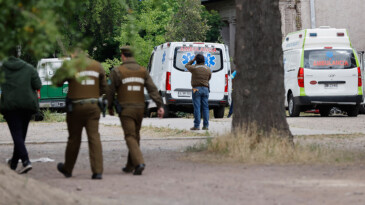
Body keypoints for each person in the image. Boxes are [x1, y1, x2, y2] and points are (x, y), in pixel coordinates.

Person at [107, 46, 164, 175]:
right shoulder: (142, 71)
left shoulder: (117, 71)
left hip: (126, 109)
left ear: (123, 56)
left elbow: (110, 91)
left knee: (130, 136)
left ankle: (139, 163)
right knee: (135, 136)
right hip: (140, 109)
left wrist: (109, 106)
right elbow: (152, 89)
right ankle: (130, 165)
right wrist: (160, 105)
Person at [52, 50, 107, 180]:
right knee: (94, 137)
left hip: (75, 107)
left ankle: (68, 169)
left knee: (74, 139)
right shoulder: (97, 65)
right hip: (93, 107)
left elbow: (57, 82)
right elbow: (104, 89)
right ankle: (97, 171)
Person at [0, 51, 41, 174]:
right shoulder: (29, 68)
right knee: (20, 136)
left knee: (17, 135)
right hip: (27, 106)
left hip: (11, 106)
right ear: (18, 55)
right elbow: (38, 84)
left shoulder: (2, 70)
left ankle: (26, 161)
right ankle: (13, 164)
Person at [185, 54, 212, 130]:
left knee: (197, 107)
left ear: (196, 60)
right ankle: (206, 126)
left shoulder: (194, 68)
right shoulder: (208, 69)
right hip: (206, 89)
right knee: (205, 108)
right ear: (204, 60)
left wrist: (192, 60)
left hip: (196, 89)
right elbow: (209, 78)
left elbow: (186, 65)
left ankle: (197, 126)